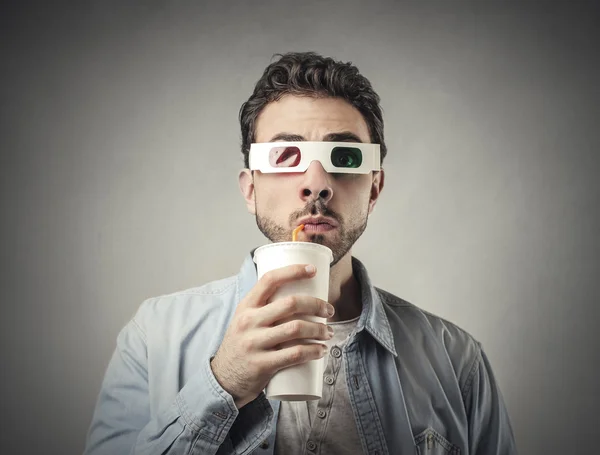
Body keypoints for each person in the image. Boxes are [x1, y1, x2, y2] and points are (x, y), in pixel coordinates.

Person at [84, 52, 517, 455]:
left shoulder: (456, 360)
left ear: (375, 188)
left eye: (344, 156)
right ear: (250, 189)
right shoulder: (155, 336)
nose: (315, 182)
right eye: (284, 154)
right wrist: (223, 383)